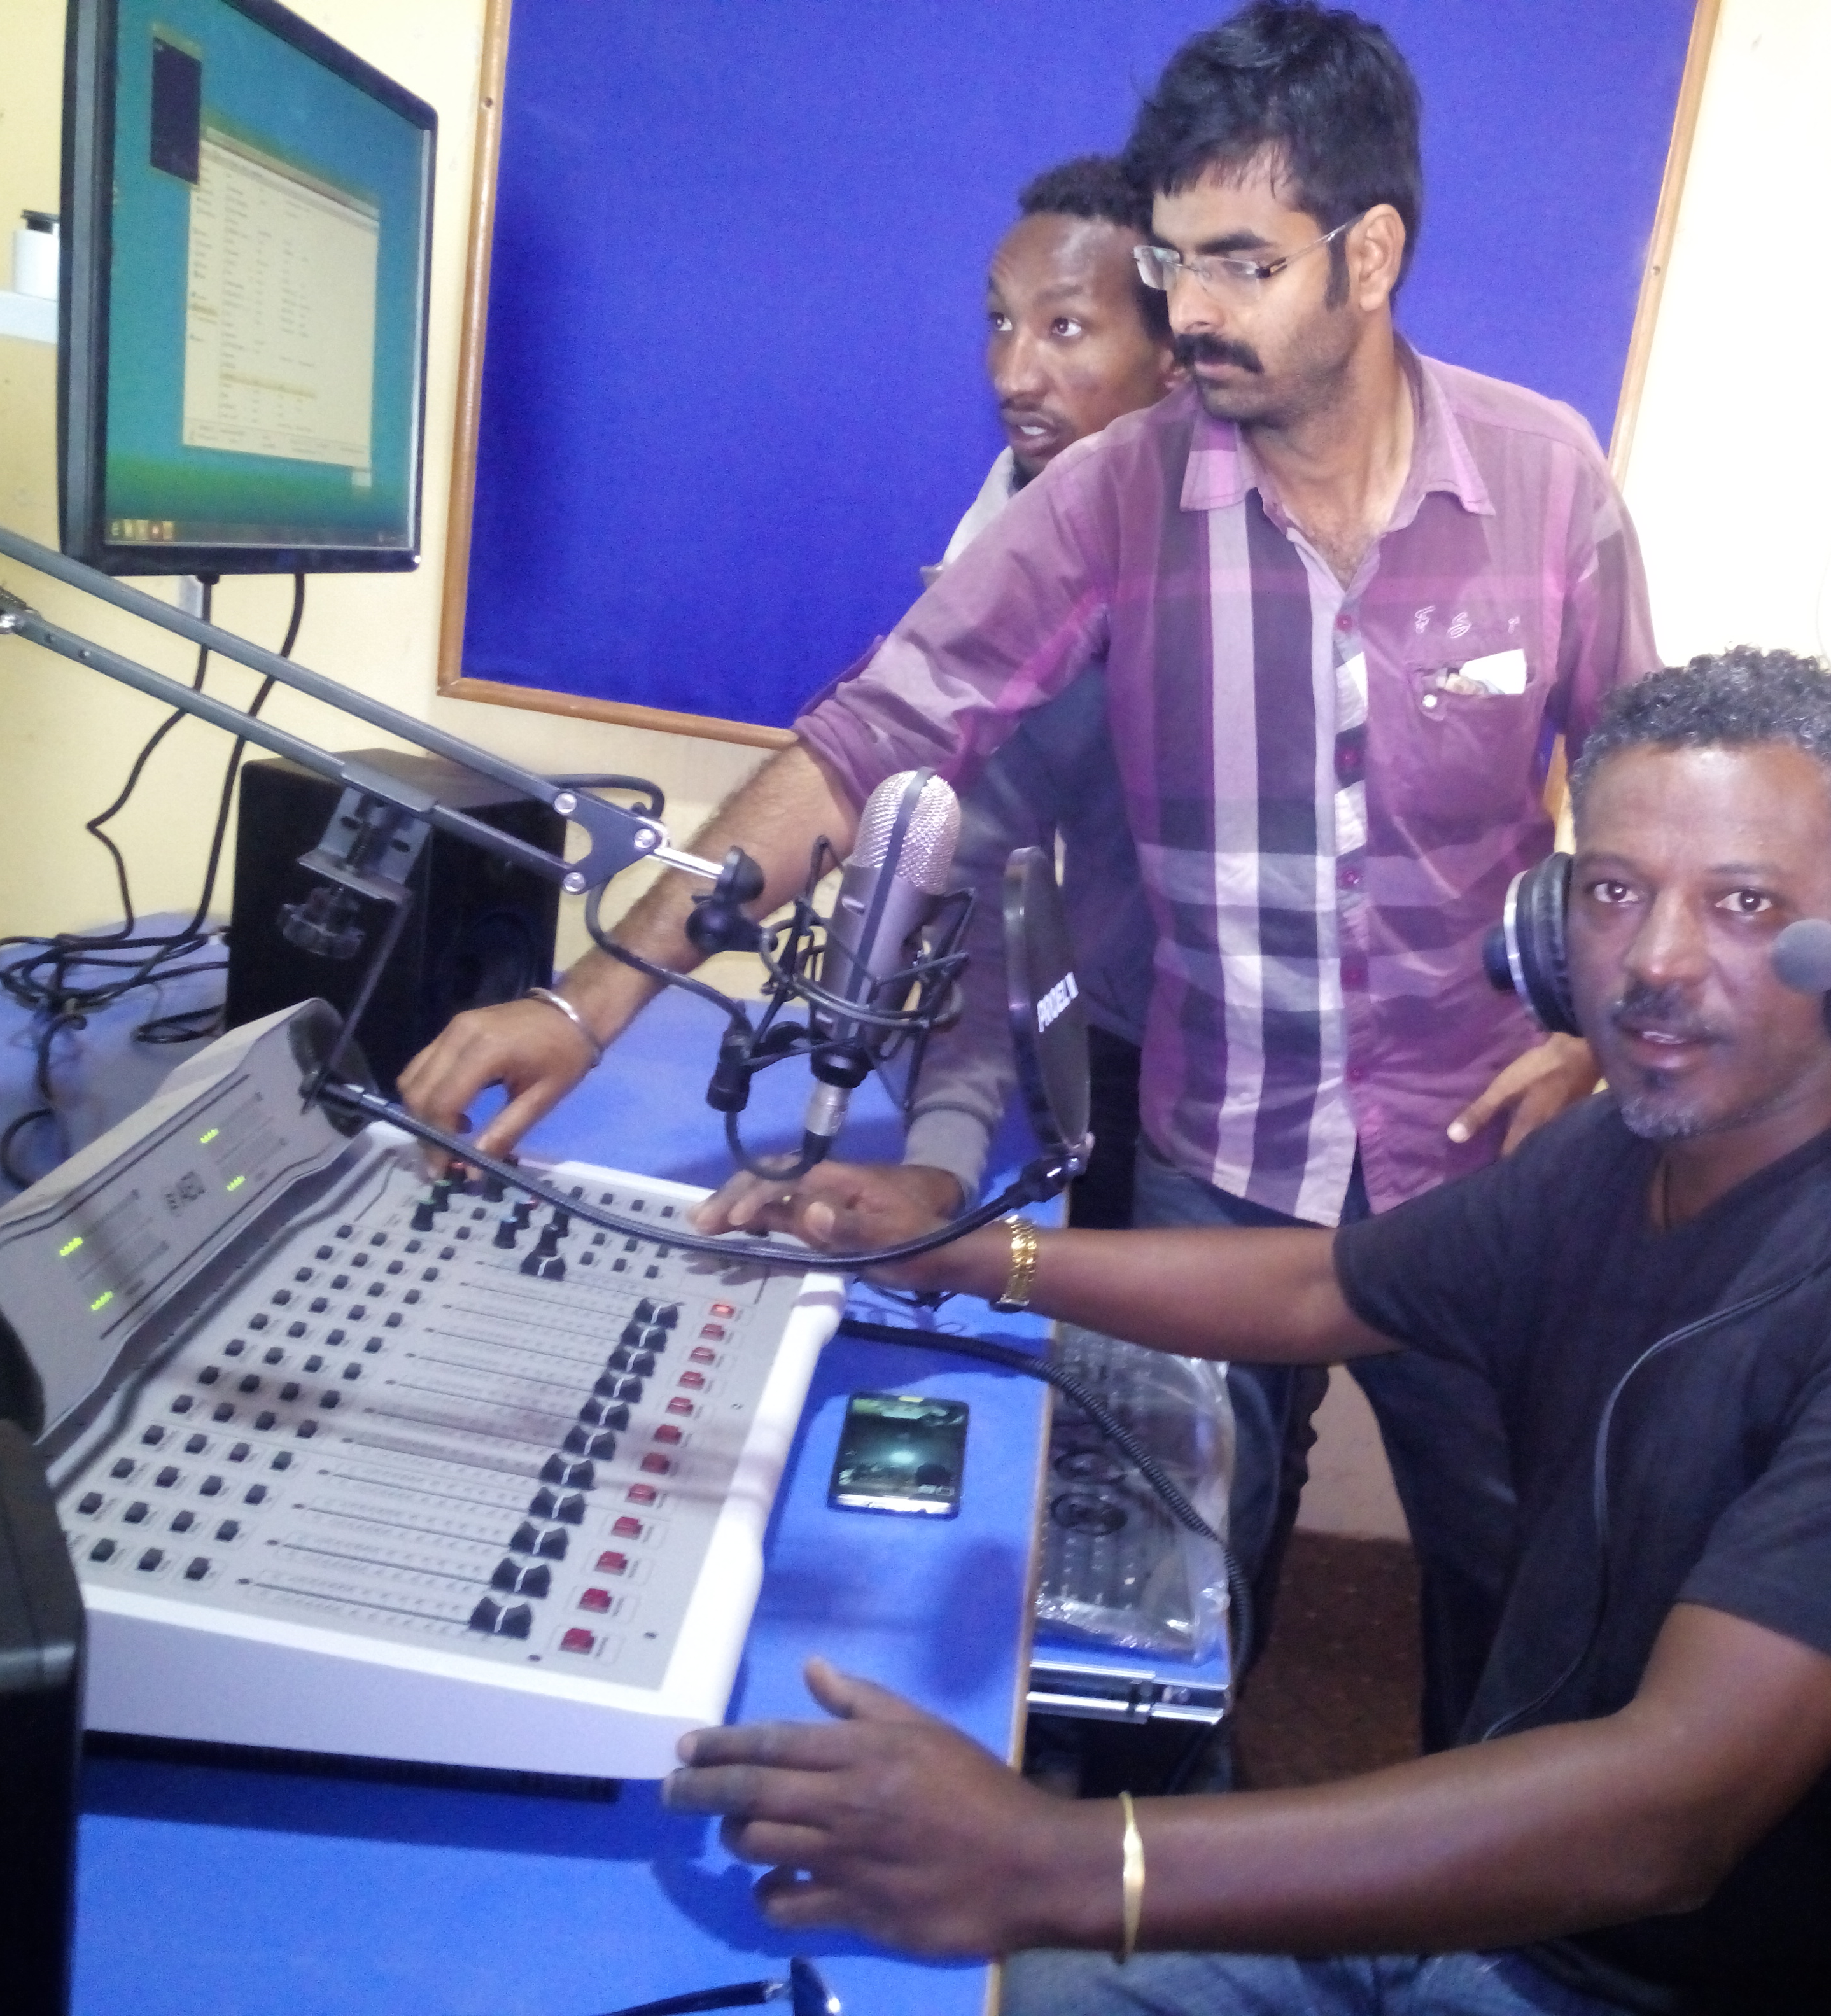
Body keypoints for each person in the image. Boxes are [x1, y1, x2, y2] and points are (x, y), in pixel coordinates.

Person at [398, 1, 1656, 1740]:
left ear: (1372, 256)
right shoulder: (1118, 495)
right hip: (1223, 1151)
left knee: (1515, 1575)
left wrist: (1603, 1031)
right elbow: (874, 736)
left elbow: (1640, 796)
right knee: (1175, 1582)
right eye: (1170, 258)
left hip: (1490, 1151)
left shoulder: (1548, 479)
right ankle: (1168, 1884)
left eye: (1239, 263)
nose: (1187, 310)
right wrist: (595, 992)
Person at [668, 650, 1831, 2015]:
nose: (1656, 962)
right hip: (1511, 1894)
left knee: (1021, 1954)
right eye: (1615, 893)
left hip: (1679, 1978)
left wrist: (1060, 1861)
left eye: (1744, 905)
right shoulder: (1616, 1155)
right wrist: (970, 1253)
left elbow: (1670, 1816)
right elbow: (1328, 1292)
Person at [897, 153, 1180, 1235]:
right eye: (1000, 323)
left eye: (1064, 327)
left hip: (1337, 1079)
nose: (1013, 372)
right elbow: (972, 865)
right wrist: (941, 1160)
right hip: (1124, 1050)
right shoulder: (1004, 537)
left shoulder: (1254, 553)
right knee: (1131, 1381)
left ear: (1174, 359)